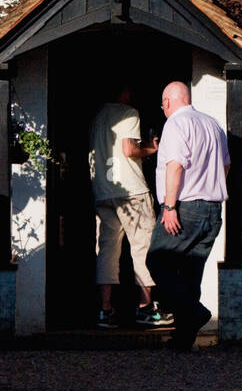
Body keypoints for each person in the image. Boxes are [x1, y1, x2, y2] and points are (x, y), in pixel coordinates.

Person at [146, 81, 230, 350]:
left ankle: (195, 313)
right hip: (213, 209)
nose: (163, 110)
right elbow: (225, 165)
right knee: (191, 273)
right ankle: (183, 339)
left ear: (168, 102)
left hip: (186, 208)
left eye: (162, 105)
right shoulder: (212, 124)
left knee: (157, 261)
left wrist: (170, 207)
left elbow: (175, 166)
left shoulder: (176, 123)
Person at [89, 81, 172, 329]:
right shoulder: (129, 113)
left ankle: (105, 310)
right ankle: (147, 308)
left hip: (103, 192)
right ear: (123, 91)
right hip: (132, 191)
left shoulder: (97, 116)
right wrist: (151, 148)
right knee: (142, 248)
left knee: (106, 250)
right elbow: (129, 149)